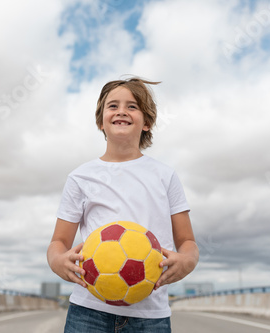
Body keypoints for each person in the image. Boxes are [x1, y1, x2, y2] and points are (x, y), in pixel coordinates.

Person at [47, 77, 199, 333]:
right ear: (101, 121)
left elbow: (188, 242)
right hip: (88, 312)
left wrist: (187, 261)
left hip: (150, 316)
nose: (121, 111)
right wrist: (57, 261)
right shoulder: (81, 177)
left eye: (132, 106)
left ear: (147, 122)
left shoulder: (165, 175)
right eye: (113, 105)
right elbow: (58, 243)